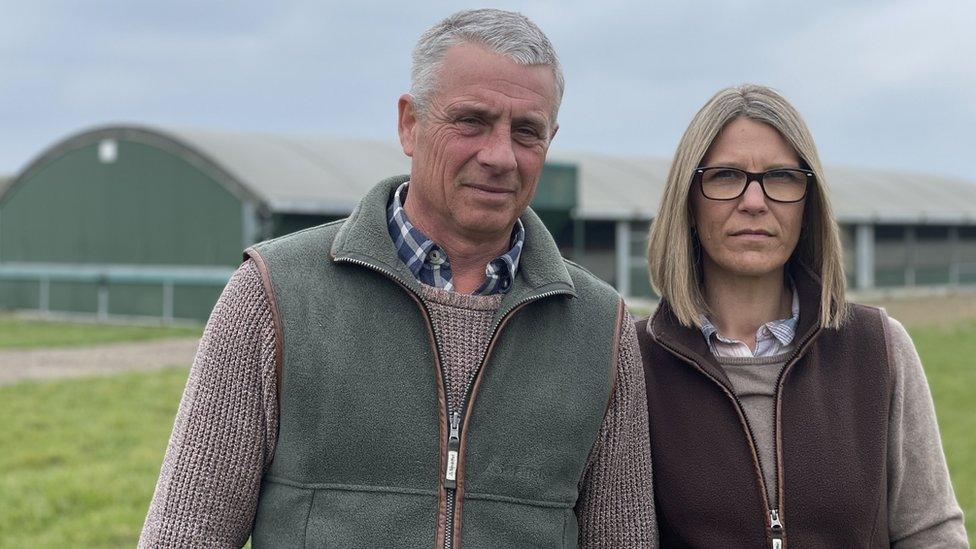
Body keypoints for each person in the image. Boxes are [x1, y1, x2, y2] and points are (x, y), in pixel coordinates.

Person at [139, 9, 657, 548]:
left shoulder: (601, 328)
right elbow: (186, 533)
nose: (500, 155)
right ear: (410, 123)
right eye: (472, 121)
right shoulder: (275, 295)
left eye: (527, 132)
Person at [637, 83, 968, 547]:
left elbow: (930, 533)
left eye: (781, 177)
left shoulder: (880, 348)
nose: (754, 202)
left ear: (808, 203)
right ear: (688, 201)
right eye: (726, 176)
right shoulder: (633, 363)